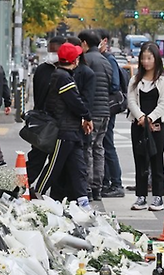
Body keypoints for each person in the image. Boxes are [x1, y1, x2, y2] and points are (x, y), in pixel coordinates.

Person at [34, 43, 93, 210]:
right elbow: (75, 102)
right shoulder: (62, 77)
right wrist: (87, 116)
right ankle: (36, 195)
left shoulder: (62, 74)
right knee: (53, 167)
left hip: (71, 130)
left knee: (79, 168)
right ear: (74, 60)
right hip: (63, 130)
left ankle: (84, 202)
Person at [127, 42, 164, 211]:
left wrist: (149, 119)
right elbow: (131, 100)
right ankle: (141, 196)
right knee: (140, 160)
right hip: (137, 125)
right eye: (143, 58)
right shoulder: (134, 80)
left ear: (156, 59)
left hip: (156, 126)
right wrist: (140, 117)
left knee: (156, 160)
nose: (146, 62)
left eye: (149, 58)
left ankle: (158, 196)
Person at [78, 30, 112, 201]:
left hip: (92, 112)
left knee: (88, 149)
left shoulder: (87, 60)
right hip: (105, 111)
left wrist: (85, 115)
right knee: (99, 148)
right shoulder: (105, 61)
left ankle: (89, 187)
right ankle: (98, 187)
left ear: (84, 43)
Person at [27, 36, 66, 185]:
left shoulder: (65, 69)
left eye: (54, 51)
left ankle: (50, 191)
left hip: (60, 123)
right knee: (36, 158)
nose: (51, 55)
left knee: (57, 162)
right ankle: (21, 187)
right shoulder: (43, 69)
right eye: (50, 51)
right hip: (44, 122)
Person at [95, 28, 125, 198]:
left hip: (108, 107)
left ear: (105, 41)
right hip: (103, 106)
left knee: (107, 144)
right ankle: (106, 181)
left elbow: (115, 84)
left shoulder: (109, 59)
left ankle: (116, 183)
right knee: (102, 144)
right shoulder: (102, 58)